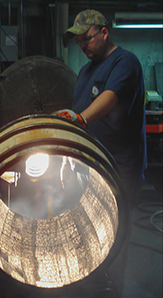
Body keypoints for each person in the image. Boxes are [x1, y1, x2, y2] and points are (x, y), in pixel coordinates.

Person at [55, 9, 147, 207]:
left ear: (104, 33)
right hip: (90, 164)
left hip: (118, 168)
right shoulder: (85, 71)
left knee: (117, 228)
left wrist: (81, 118)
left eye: (86, 39)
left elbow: (109, 97)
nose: (82, 45)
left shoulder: (124, 62)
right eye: (79, 41)